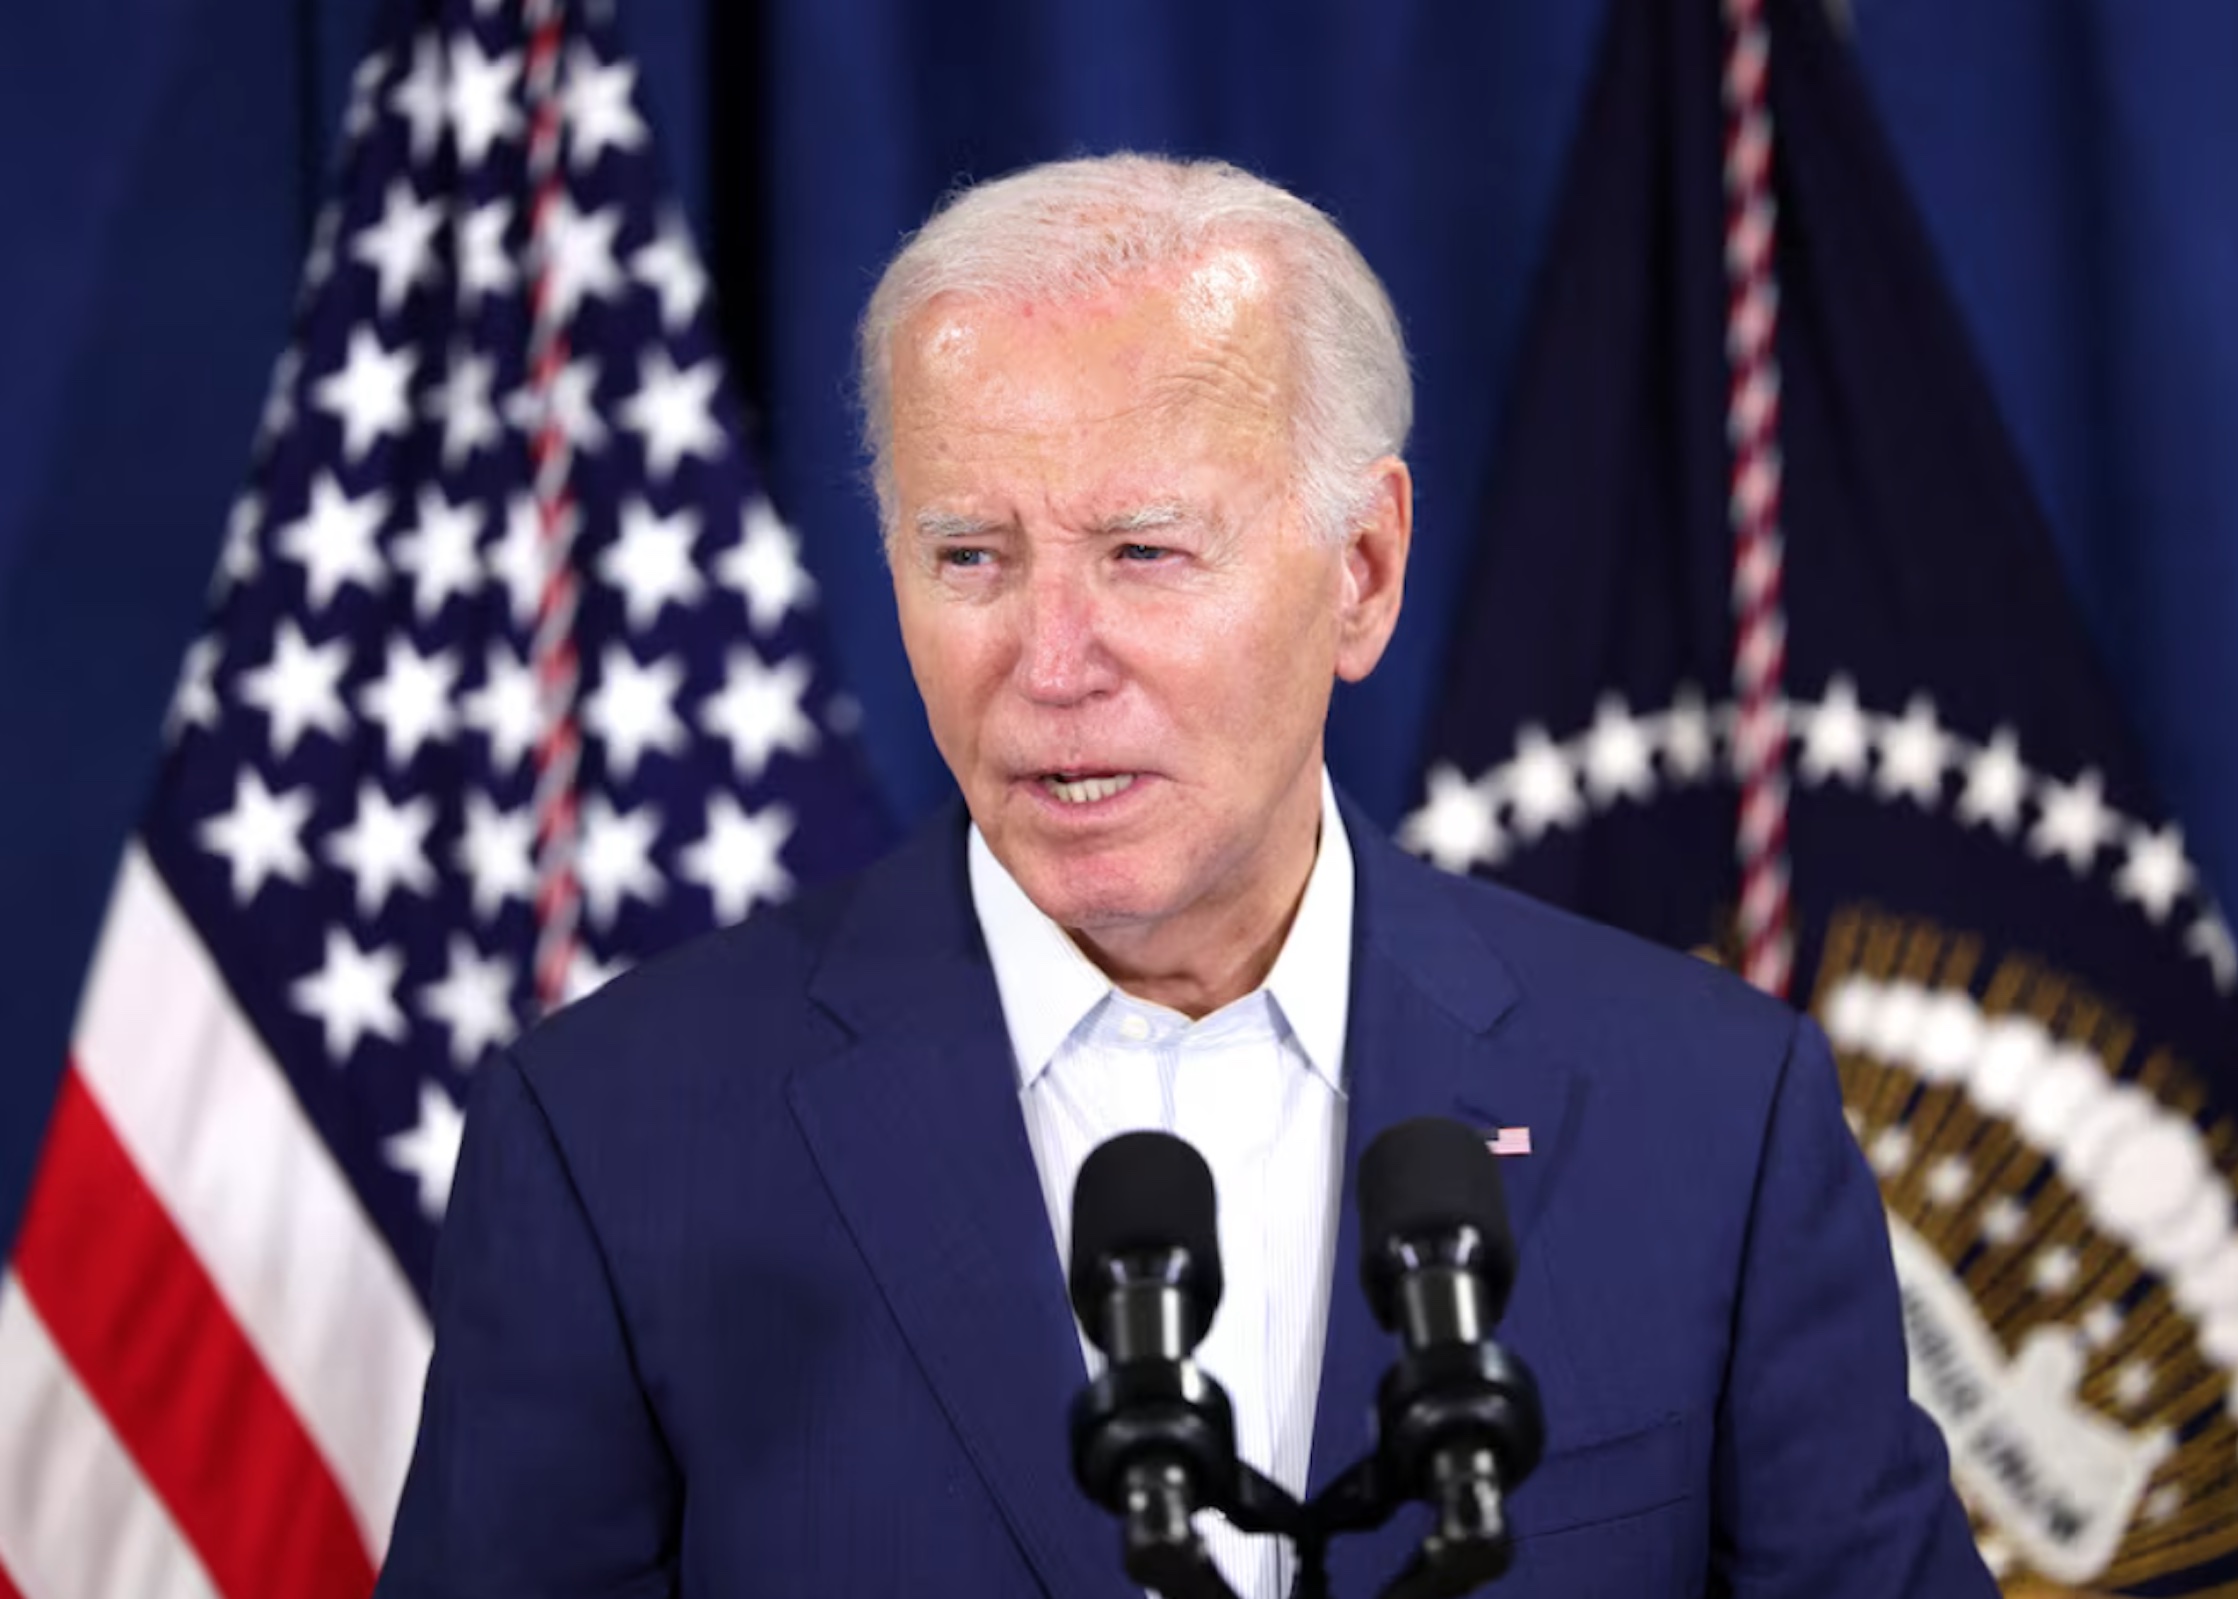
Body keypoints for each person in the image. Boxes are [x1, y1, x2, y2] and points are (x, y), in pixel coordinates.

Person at [377, 154, 1995, 1599]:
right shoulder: (621, 1139)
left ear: (1361, 573)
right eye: (970, 559)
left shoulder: (1710, 1118)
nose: (1051, 661)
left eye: (1144, 552)